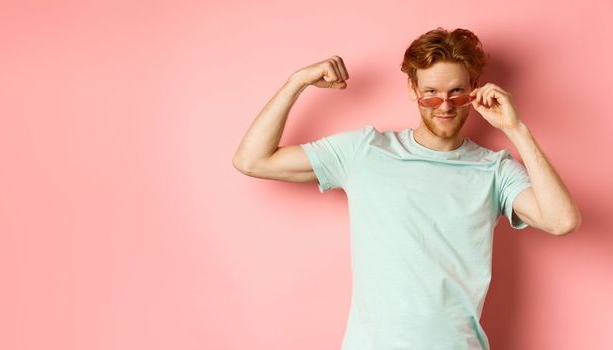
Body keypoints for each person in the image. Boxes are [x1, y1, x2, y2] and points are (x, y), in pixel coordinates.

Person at [231, 27, 581, 350]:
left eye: (456, 92)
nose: (444, 106)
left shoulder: (494, 170)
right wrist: (297, 81)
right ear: (413, 89)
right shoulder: (366, 152)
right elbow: (252, 160)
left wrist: (516, 128)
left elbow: (561, 220)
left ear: (473, 88)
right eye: (431, 93)